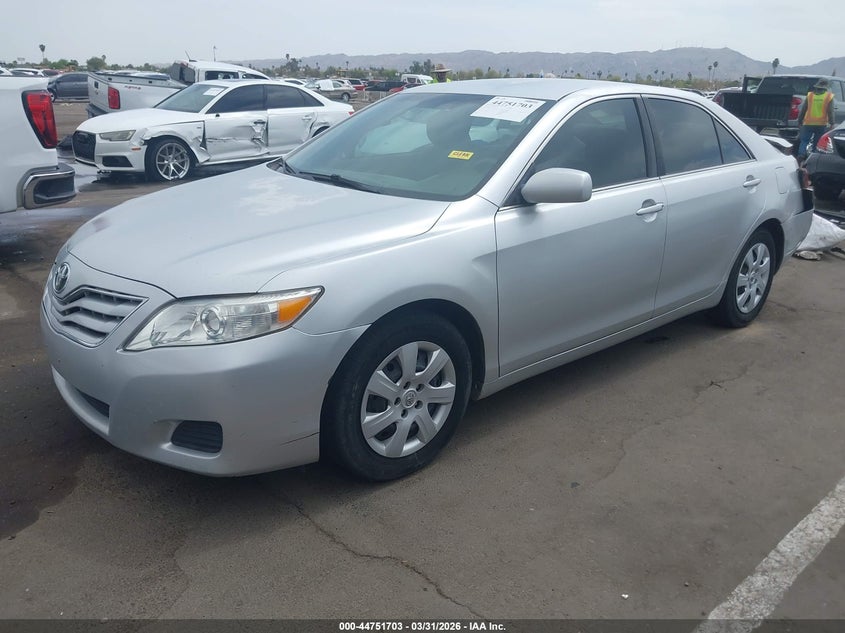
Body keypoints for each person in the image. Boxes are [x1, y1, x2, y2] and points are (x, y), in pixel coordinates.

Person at [797, 78, 835, 161]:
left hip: (808, 123)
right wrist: (832, 123)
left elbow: (803, 109)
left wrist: (799, 120)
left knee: (804, 141)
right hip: (821, 124)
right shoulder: (829, 96)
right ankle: (812, 159)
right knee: (817, 143)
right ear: (826, 87)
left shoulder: (810, 95)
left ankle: (801, 155)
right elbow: (830, 112)